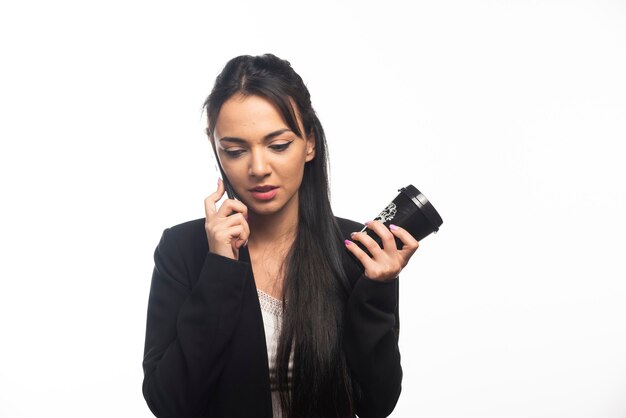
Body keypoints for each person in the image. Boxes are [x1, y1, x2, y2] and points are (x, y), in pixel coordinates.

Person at [142, 53, 420, 418]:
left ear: (309, 143)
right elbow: (170, 404)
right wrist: (220, 268)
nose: (258, 168)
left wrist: (377, 290)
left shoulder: (355, 247)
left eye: (278, 145)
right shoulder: (183, 250)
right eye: (236, 150)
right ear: (216, 149)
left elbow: (377, 403)